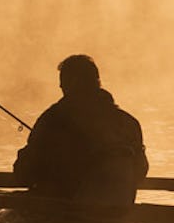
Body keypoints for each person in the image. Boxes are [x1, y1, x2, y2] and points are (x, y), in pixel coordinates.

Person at [13, 54, 148, 207]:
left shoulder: (53, 120)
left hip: (65, 217)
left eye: (63, 82)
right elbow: (140, 173)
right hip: (118, 214)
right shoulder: (129, 123)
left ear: (71, 83)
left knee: (2, 214)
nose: (60, 87)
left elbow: (23, 175)